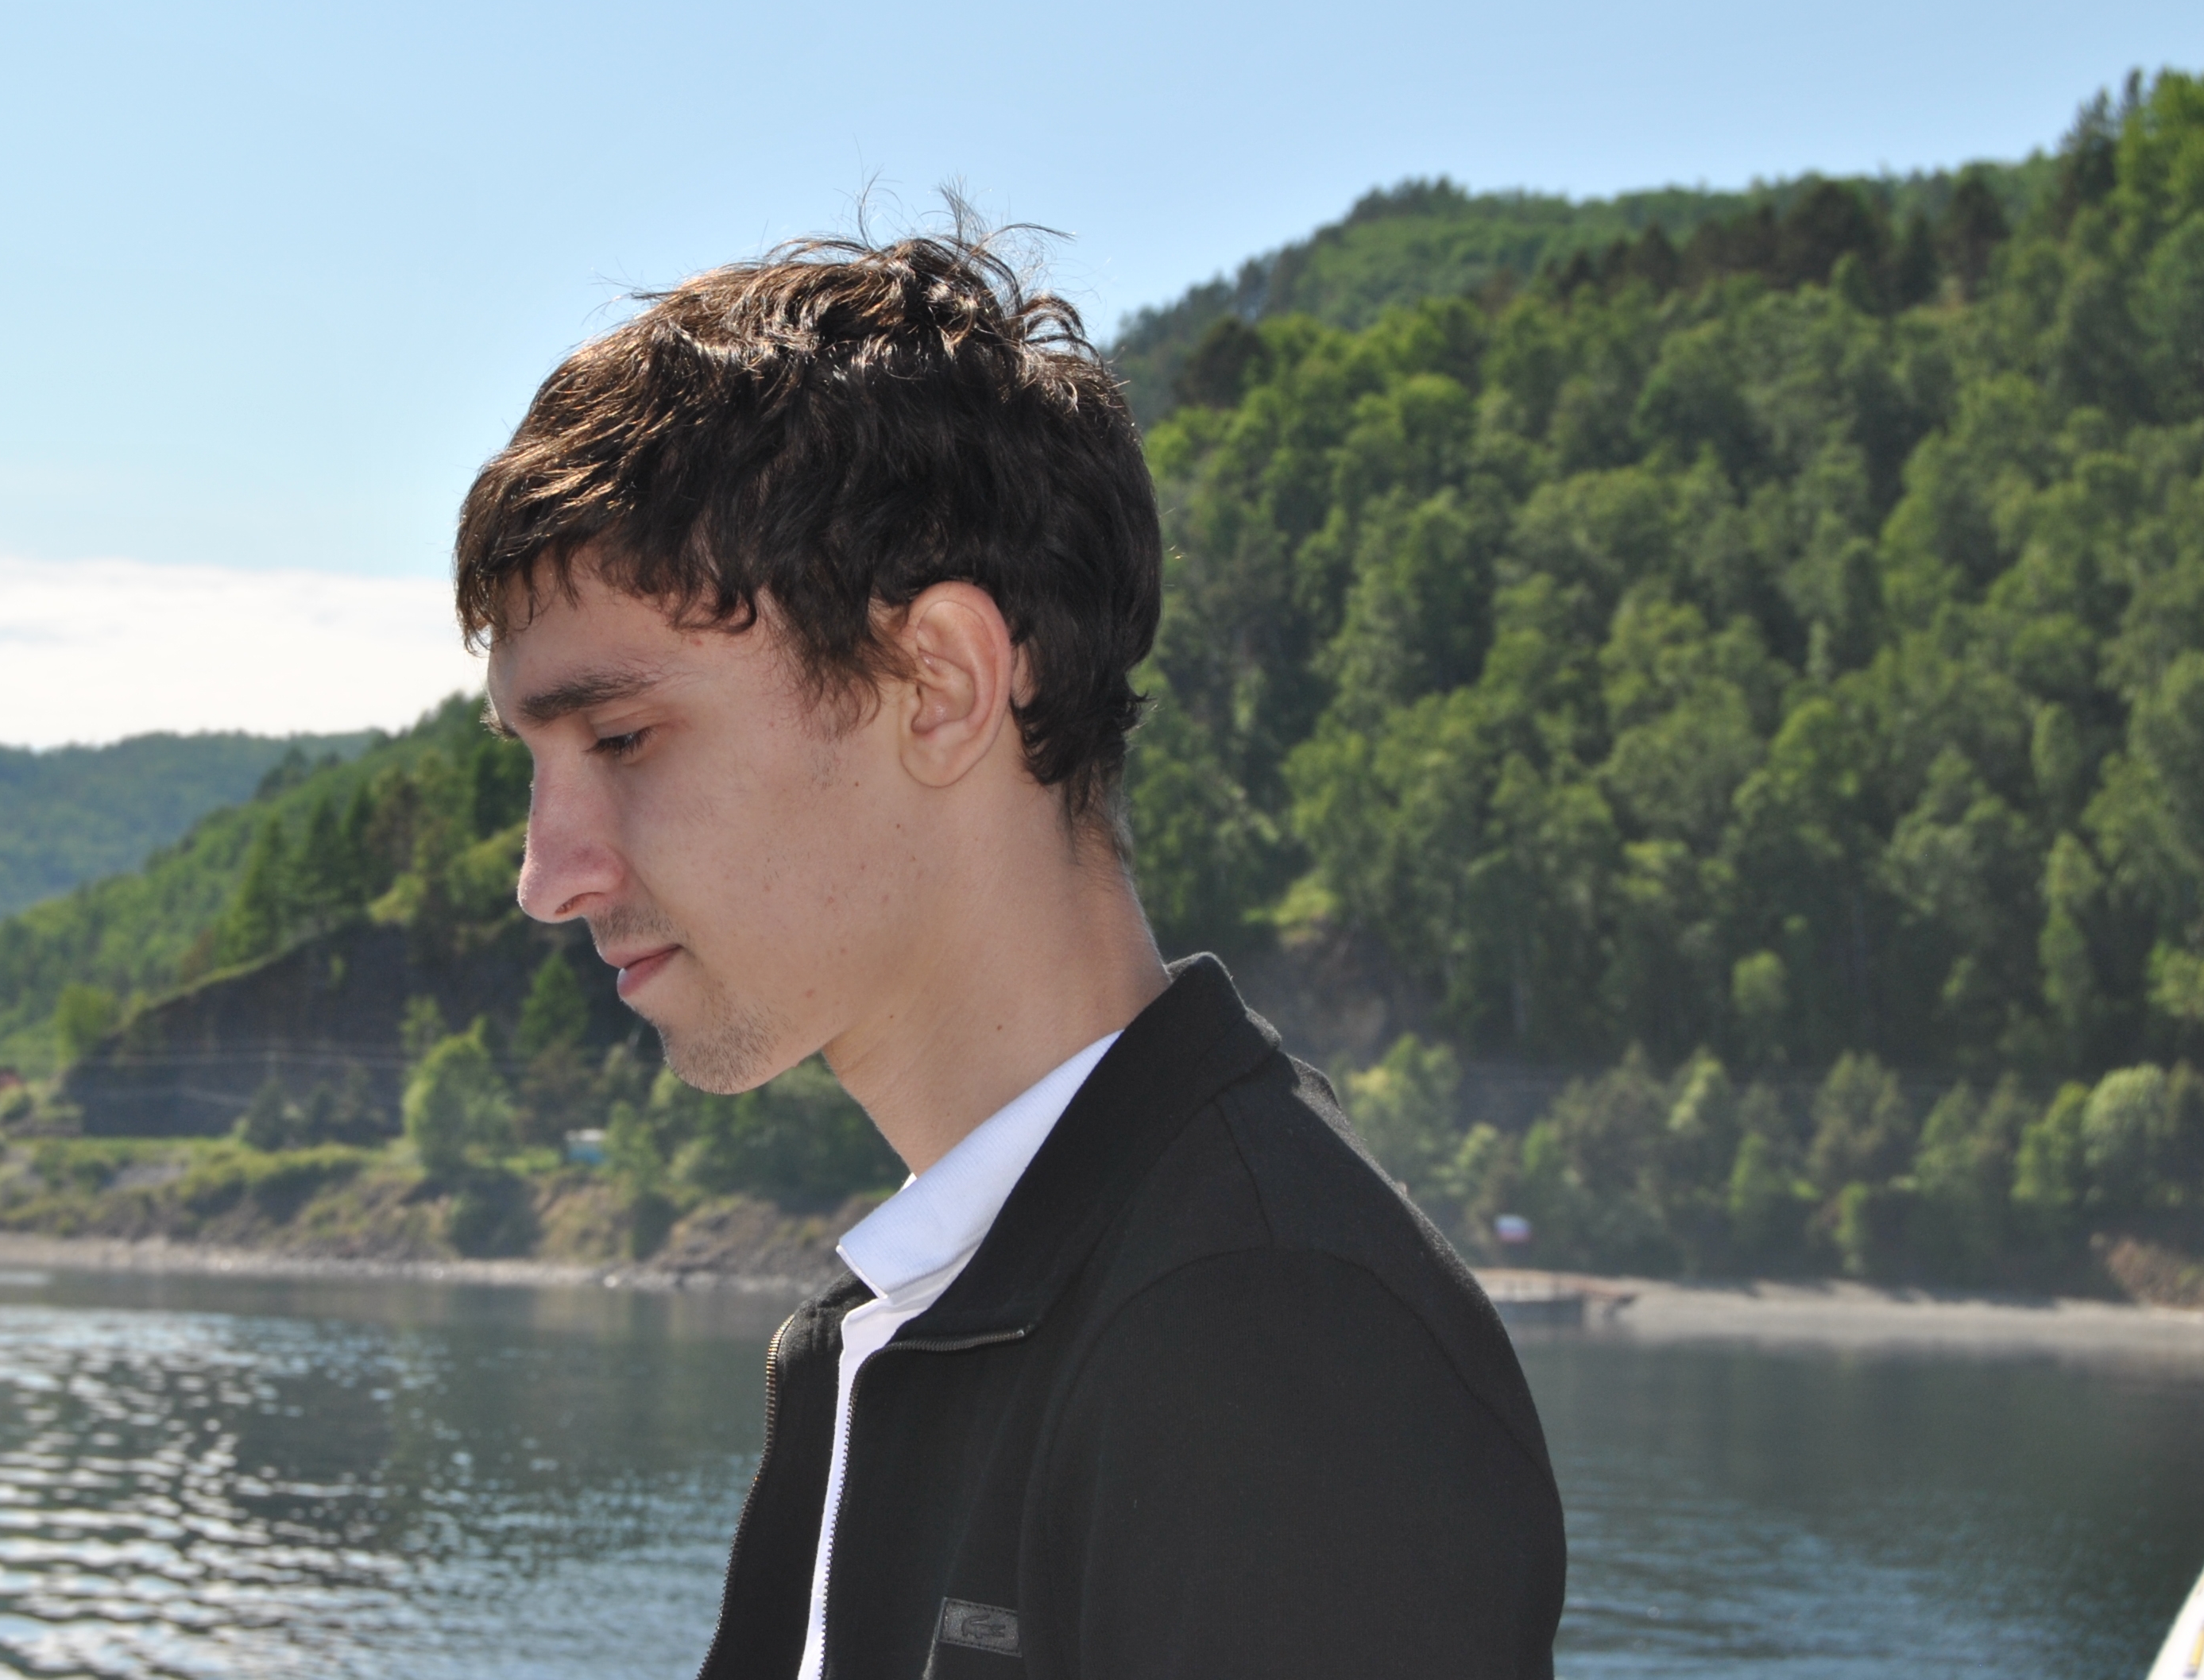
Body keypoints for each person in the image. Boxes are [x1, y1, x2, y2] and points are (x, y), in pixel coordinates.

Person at [456, 220, 1564, 1678]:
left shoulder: (1268, 1342)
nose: (548, 877)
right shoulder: (922, 1322)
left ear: (940, 686)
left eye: (619, 739)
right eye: (535, 763)